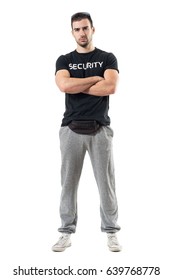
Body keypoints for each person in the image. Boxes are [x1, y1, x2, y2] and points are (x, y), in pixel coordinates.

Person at [52, 12, 121, 252]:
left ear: (93, 29)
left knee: (106, 183)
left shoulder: (107, 58)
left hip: (100, 129)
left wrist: (78, 85)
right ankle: (65, 232)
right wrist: (94, 79)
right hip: (70, 129)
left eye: (85, 28)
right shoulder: (64, 60)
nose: (82, 33)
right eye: (77, 29)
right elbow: (63, 85)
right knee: (68, 183)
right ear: (72, 32)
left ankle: (111, 232)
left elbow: (110, 86)